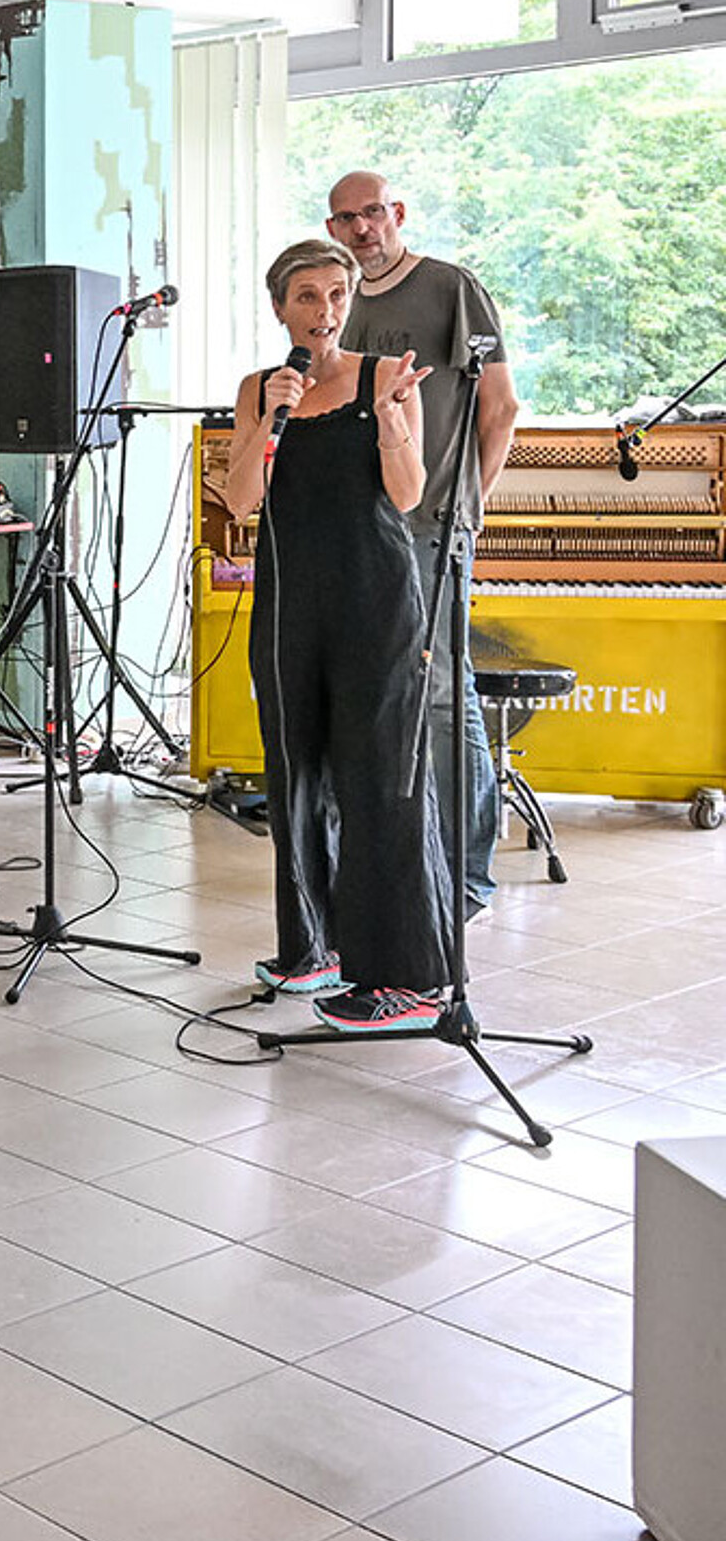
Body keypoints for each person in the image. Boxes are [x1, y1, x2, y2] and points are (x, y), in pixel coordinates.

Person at [225, 238, 452, 1033]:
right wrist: (270, 418)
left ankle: (405, 977)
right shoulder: (260, 388)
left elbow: (408, 493)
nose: (325, 311)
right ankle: (312, 948)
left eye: (336, 295)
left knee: (379, 779)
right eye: (308, 297)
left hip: (374, 601)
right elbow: (241, 500)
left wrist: (390, 424)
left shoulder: (386, 376)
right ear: (280, 308)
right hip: (290, 603)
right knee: (294, 772)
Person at [325, 170, 523, 916]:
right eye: (347, 219)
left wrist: (467, 504)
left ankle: (465, 877)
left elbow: (499, 407)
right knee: (372, 695)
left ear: (397, 213)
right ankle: (390, 864)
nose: (362, 229)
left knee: (442, 696)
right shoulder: (337, 303)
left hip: (433, 526)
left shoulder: (450, 288)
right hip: (360, 528)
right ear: (332, 228)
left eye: (373, 213)